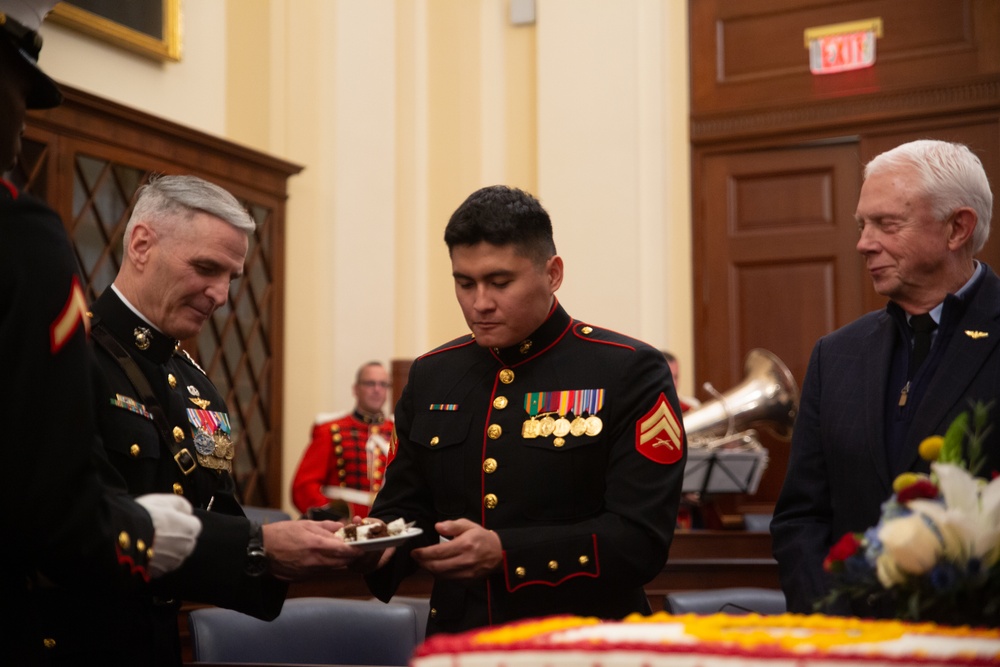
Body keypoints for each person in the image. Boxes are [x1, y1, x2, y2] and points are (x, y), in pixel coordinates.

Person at [358, 185, 686, 635]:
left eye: (500, 282)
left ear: (552, 273)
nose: (480, 303)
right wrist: (367, 543)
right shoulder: (434, 373)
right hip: (462, 639)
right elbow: (407, 508)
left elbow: (639, 539)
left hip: (581, 644)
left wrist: (505, 553)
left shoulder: (625, 369)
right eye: (464, 282)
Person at [88, 173, 365, 665]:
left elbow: (217, 514)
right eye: (205, 268)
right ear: (141, 244)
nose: (220, 295)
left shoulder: (195, 384)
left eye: (230, 278)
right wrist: (258, 543)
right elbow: (82, 522)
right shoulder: (73, 361)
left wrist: (303, 543)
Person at [0, 2, 201, 664]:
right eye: (21, 97)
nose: (220, 293)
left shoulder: (193, 378)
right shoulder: (22, 238)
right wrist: (136, 531)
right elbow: (47, 497)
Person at [770, 139, 1000, 617]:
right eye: (862, 225)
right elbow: (801, 517)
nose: (863, 242)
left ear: (958, 228)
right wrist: (827, 619)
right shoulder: (836, 355)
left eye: (887, 224)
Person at [292, 361, 395, 520]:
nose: (377, 389)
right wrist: (331, 516)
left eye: (383, 384)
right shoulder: (331, 430)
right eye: (370, 383)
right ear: (356, 389)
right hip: (341, 526)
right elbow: (304, 487)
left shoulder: (397, 432)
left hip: (386, 523)